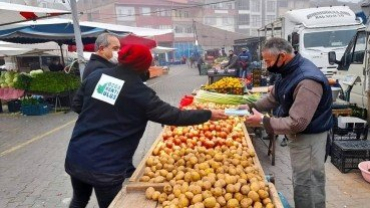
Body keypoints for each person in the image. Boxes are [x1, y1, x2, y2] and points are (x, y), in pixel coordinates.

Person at [65, 44, 227, 208]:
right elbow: (174, 116)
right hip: (106, 165)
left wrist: (101, 116)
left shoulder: (97, 76)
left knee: (79, 200)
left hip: (77, 155)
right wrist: (208, 114)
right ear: (144, 65)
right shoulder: (140, 93)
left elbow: (77, 105)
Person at [243, 37, 333, 208]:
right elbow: (273, 98)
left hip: (310, 141)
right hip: (300, 139)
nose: (266, 66)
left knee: (308, 185)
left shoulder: (307, 81)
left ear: (282, 56)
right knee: (301, 179)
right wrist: (250, 106)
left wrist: (263, 121)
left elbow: (297, 123)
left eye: (268, 61)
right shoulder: (287, 72)